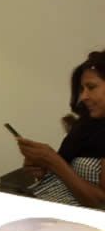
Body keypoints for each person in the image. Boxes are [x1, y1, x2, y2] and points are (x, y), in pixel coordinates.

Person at [17, 50, 105, 207]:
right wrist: (43, 168)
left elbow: (101, 204)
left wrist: (54, 162)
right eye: (82, 89)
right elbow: (65, 178)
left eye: (91, 87)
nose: (83, 97)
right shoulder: (87, 126)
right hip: (41, 202)